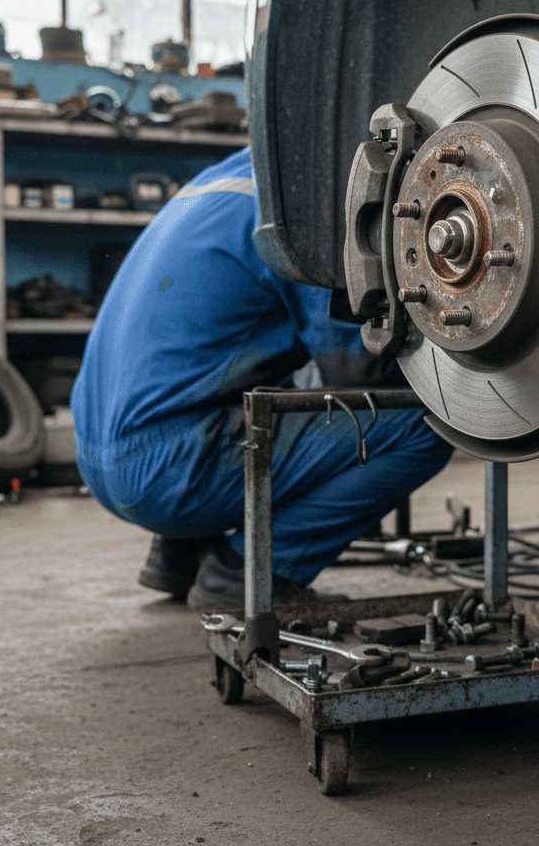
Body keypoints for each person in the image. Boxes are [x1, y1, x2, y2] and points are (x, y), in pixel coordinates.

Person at [70, 147, 453, 610]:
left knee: (259, 382)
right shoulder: (307, 203)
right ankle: (247, 573)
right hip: (170, 472)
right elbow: (354, 369)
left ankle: (181, 554)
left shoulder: (230, 175)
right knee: (422, 426)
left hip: (97, 459)